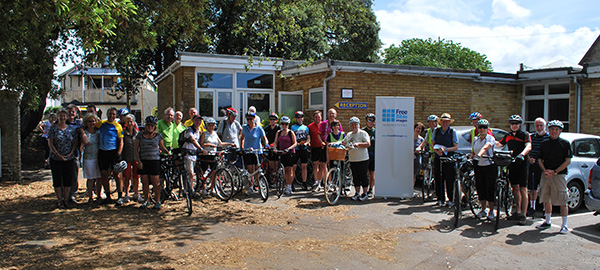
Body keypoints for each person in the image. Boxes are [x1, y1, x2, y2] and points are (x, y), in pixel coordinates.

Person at [536, 120, 572, 234]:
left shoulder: (565, 144)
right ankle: (547, 221)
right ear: (549, 130)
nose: (554, 131)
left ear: (560, 131)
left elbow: (568, 161)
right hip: (546, 174)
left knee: (562, 199)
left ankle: (564, 225)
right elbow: (540, 159)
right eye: (552, 129)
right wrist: (545, 170)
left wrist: (555, 171)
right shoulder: (544, 143)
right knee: (546, 198)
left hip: (559, 175)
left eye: (556, 129)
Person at [496, 115, 531, 225]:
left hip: (522, 163)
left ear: (520, 124)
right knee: (515, 188)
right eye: (512, 123)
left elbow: (529, 146)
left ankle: (524, 215)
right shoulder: (508, 135)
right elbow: (499, 144)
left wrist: (522, 154)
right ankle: (517, 211)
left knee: (523, 189)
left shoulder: (524, 134)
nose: (514, 125)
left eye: (516, 123)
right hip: (512, 163)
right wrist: (489, 141)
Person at [135, 116, 169, 209]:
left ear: (155, 126)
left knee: (155, 182)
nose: (150, 127)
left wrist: (168, 153)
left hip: (154, 161)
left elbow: (162, 147)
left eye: (152, 125)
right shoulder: (140, 135)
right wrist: (139, 161)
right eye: (148, 125)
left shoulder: (158, 136)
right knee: (145, 182)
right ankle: (147, 200)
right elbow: (136, 149)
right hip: (143, 160)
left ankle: (157, 201)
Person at [48, 108, 77, 209]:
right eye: (60, 115)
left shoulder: (71, 129)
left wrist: (71, 153)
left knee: (67, 179)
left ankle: (66, 199)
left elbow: (74, 142)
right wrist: (57, 154)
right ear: (57, 117)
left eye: (64, 116)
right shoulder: (53, 128)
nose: (62, 117)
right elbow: (50, 143)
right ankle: (59, 200)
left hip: (69, 158)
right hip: (55, 158)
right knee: (57, 179)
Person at [96, 107, 123, 204]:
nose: (111, 116)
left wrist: (118, 153)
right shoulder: (101, 124)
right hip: (103, 152)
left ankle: (120, 196)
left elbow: (121, 141)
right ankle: (108, 195)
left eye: (113, 114)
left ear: (116, 116)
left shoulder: (117, 126)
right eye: (110, 114)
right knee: (104, 174)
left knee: (117, 174)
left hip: (113, 152)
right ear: (107, 114)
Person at [471, 119, 497, 221]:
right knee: (480, 188)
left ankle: (491, 211)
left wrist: (479, 156)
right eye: (480, 127)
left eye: (484, 127)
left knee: (489, 189)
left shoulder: (490, 138)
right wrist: (471, 159)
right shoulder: (475, 139)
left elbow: (486, 148)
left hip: (489, 166)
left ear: (487, 129)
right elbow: (473, 152)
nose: (482, 129)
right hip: (479, 166)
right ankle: (483, 209)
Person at [432, 113, 459, 207]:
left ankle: (450, 199)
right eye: (443, 121)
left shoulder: (452, 132)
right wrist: (437, 151)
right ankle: (440, 198)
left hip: (449, 158)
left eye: (447, 122)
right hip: (438, 157)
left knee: (449, 179)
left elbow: (456, 147)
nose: (445, 123)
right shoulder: (436, 130)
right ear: (441, 122)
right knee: (438, 178)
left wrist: (446, 149)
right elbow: (432, 143)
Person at [200, 118, 233, 194]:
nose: (211, 127)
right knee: (204, 171)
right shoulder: (204, 134)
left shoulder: (215, 134)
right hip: (206, 154)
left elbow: (220, 143)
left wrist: (229, 144)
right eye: (210, 125)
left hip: (213, 155)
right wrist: (209, 144)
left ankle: (213, 187)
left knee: (214, 171)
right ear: (207, 126)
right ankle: (203, 187)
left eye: (213, 125)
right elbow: (201, 144)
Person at [342, 117, 371, 201]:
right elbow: (343, 142)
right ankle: (357, 192)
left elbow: (368, 144)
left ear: (358, 125)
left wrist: (358, 144)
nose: (354, 126)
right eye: (352, 125)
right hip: (353, 159)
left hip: (363, 158)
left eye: (355, 124)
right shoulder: (349, 134)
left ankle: (365, 193)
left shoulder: (363, 133)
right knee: (355, 177)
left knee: (363, 176)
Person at [240, 111, 268, 193]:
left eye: (251, 119)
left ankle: (258, 186)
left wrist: (266, 144)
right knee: (250, 170)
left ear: (254, 119)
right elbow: (242, 138)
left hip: (257, 151)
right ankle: (251, 187)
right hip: (248, 152)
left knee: (257, 169)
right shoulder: (244, 128)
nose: (249, 121)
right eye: (248, 119)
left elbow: (264, 138)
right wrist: (242, 147)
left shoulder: (258, 128)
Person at [528, 117, 549, 218]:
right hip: (534, 166)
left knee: (544, 188)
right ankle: (532, 208)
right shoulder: (532, 137)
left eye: (541, 125)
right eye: (537, 125)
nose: (539, 127)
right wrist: (529, 158)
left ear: (545, 126)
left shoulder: (549, 137)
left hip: (545, 167)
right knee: (533, 188)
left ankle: (545, 209)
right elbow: (528, 149)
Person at [117, 114, 140, 205]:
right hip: (126, 157)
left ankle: (136, 193)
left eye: (131, 121)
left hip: (136, 158)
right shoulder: (123, 133)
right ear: (125, 123)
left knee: (136, 176)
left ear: (134, 122)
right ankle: (126, 194)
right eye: (128, 121)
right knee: (126, 176)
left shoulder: (137, 133)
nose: (130, 123)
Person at [181, 115, 206, 194]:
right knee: (190, 173)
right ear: (193, 121)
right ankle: (190, 190)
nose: (198, 122)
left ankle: (190, 188)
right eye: (196, 120)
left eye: (200, 121)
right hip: (187, 153)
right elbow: (193, 140)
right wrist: (200, 149)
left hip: (194, 154)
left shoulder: (198, 130)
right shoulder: (189, 130)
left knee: (192, 173)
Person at [80, 113, 101, 203]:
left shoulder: (98, 132)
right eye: (89, 121)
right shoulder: (84, 133)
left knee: (99, 178)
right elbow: (85, 142)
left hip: (98, 156)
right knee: (90, 178)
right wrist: (82, 132)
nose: (92, 123)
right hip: (88, 157)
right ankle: (90, 196)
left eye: (93, 121)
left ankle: (99, 195)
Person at [273, 116, 297, 195]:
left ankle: (289, 187)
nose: (284, 125)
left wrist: (289, 148)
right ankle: (282, 185)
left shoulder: (290, 132)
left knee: (289, 170)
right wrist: (275, 148)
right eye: (282, 124)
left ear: (288, 124)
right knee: (281, 170)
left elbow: (295, 143)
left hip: (289, 153)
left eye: (286, 124)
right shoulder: (278, 132)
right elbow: (275, 142)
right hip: (281, 153)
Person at [66, 104, 83, 203]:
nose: (71, 113)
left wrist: (80, 150)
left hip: (75, 153)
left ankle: (73, 194)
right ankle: (64, 194)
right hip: (63, 152)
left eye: (73, 112)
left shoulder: (78, 124)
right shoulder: (61, 122)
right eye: (69, 111)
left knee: (74, 174)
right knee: (64, 174)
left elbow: (81, 138)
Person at [291, 111, 311, 190]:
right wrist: (296, 144)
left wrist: (306, 143)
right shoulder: (293, 127)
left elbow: (308, 138)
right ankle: (291, 183)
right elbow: (292, 138)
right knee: (294, 166)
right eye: (298, 117)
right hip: (296, 148)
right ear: (296, 118)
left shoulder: (306, 128)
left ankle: (304, 183)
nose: (299, 119)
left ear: (303, 118)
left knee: (304, 166)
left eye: (301, 117)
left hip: (304, 149)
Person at [308, 111, 326, 190]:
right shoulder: (310, 126)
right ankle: (316, 181)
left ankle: (323, 181)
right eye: (316, 117)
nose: (317, 118)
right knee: (315, 164)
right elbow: (308, 136)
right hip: (314, 147)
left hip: (323, 147)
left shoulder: (324, 125)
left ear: (321, 117)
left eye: (319, 117)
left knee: (323, 165)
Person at [264, 112, 281, 181]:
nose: (272, 121)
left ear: (276, 121)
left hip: (277, 147)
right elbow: (264, 137)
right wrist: (266, 144)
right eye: (271, 119)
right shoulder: (267, 128)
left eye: (274, 119)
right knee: (271, 163)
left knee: (276, 163)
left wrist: (274, 145)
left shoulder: (278, 128)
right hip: (269, 148)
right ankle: (273, 175)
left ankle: (277, 177)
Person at [363, 113, 376, 198]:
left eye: (372, 120)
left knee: (372, 173)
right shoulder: (363, 131)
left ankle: (371, 189)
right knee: (365, 173)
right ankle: (364, 190)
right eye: (368, 120)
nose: (370, 122)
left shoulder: (377, 131)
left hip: (373, 154)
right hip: (364, 154)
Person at [413, 122, 425, 187]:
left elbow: (423, 149)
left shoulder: (421, 140)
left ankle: (411, 190)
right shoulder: (409, 138)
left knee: (414, 175)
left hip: (416, 159)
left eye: (420, 129)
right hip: (408, 158)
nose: (418, 130)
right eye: (417, 128)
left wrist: (419, 150)